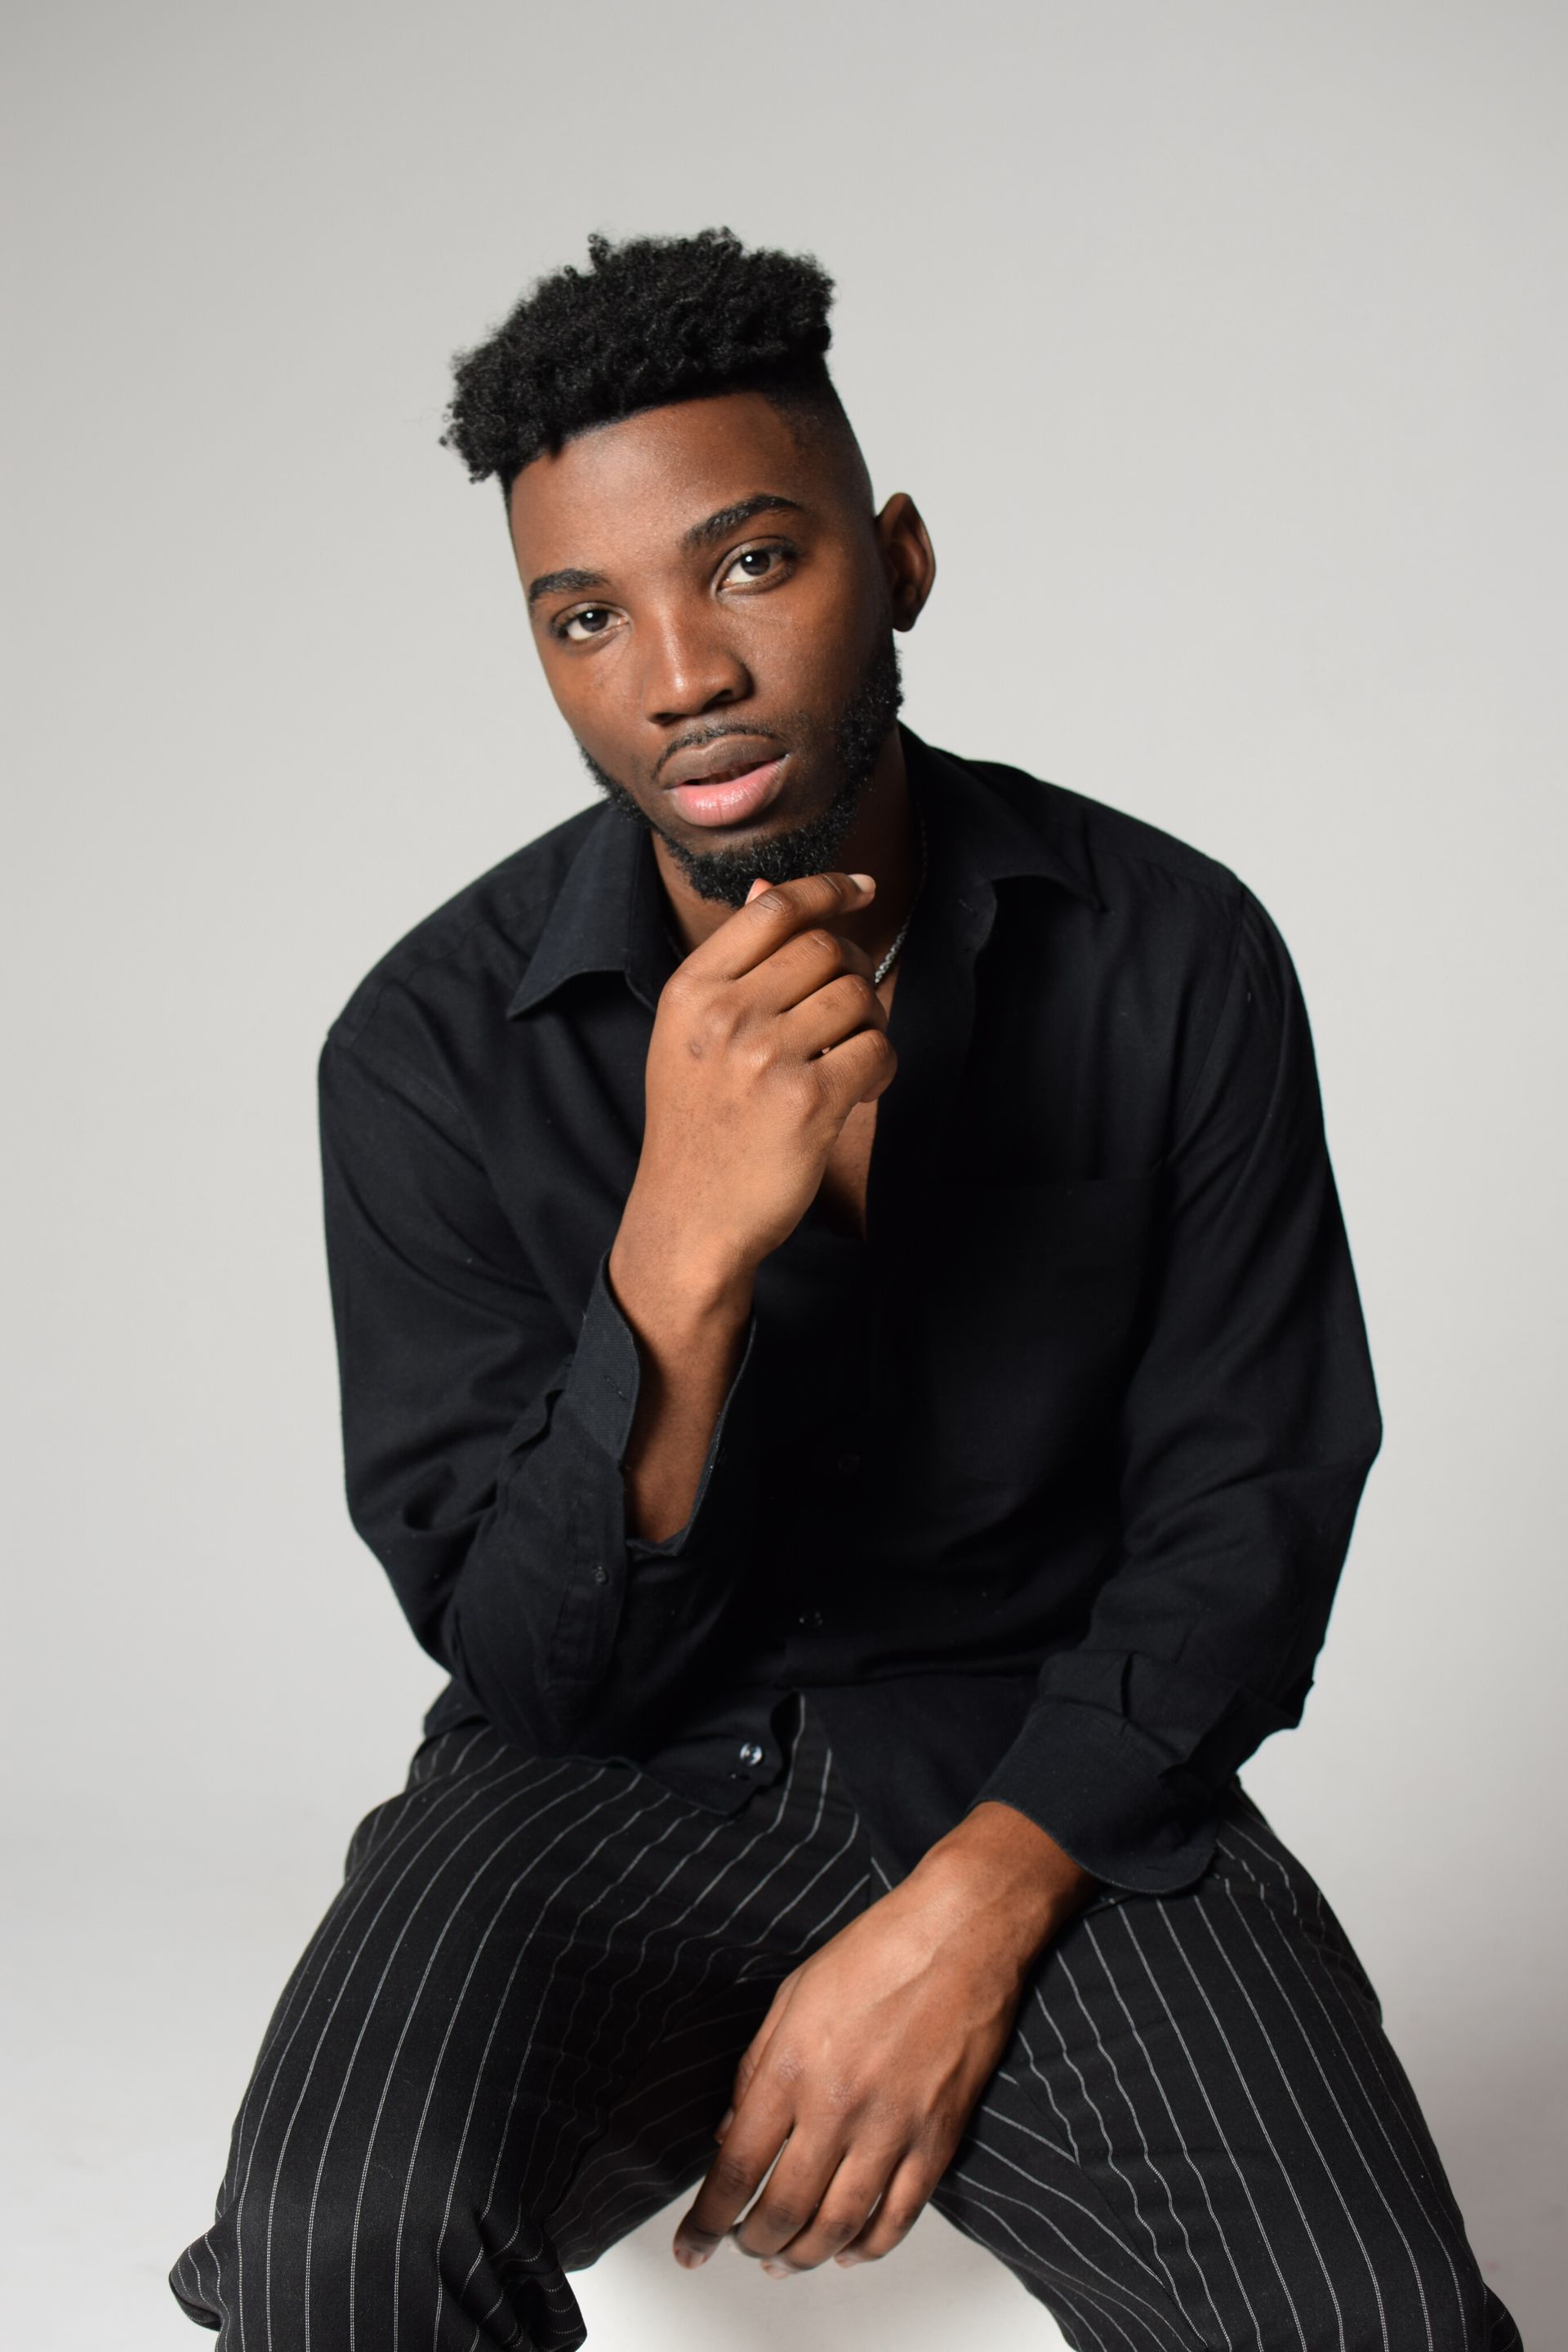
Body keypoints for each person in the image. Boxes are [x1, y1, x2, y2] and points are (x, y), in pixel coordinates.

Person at [171, 229, 1518, 2351]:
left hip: (1042, 1765)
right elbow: (524, 1663)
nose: (677, 676)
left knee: (1365, 2324)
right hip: (601, 1782)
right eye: (585, 616)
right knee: (339, 2256)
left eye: (750, 564)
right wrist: (674, 1258)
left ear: (895, 559)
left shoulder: (1171, 952)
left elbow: (1247, 1511)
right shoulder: (426, 1049)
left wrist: (973, 1909)